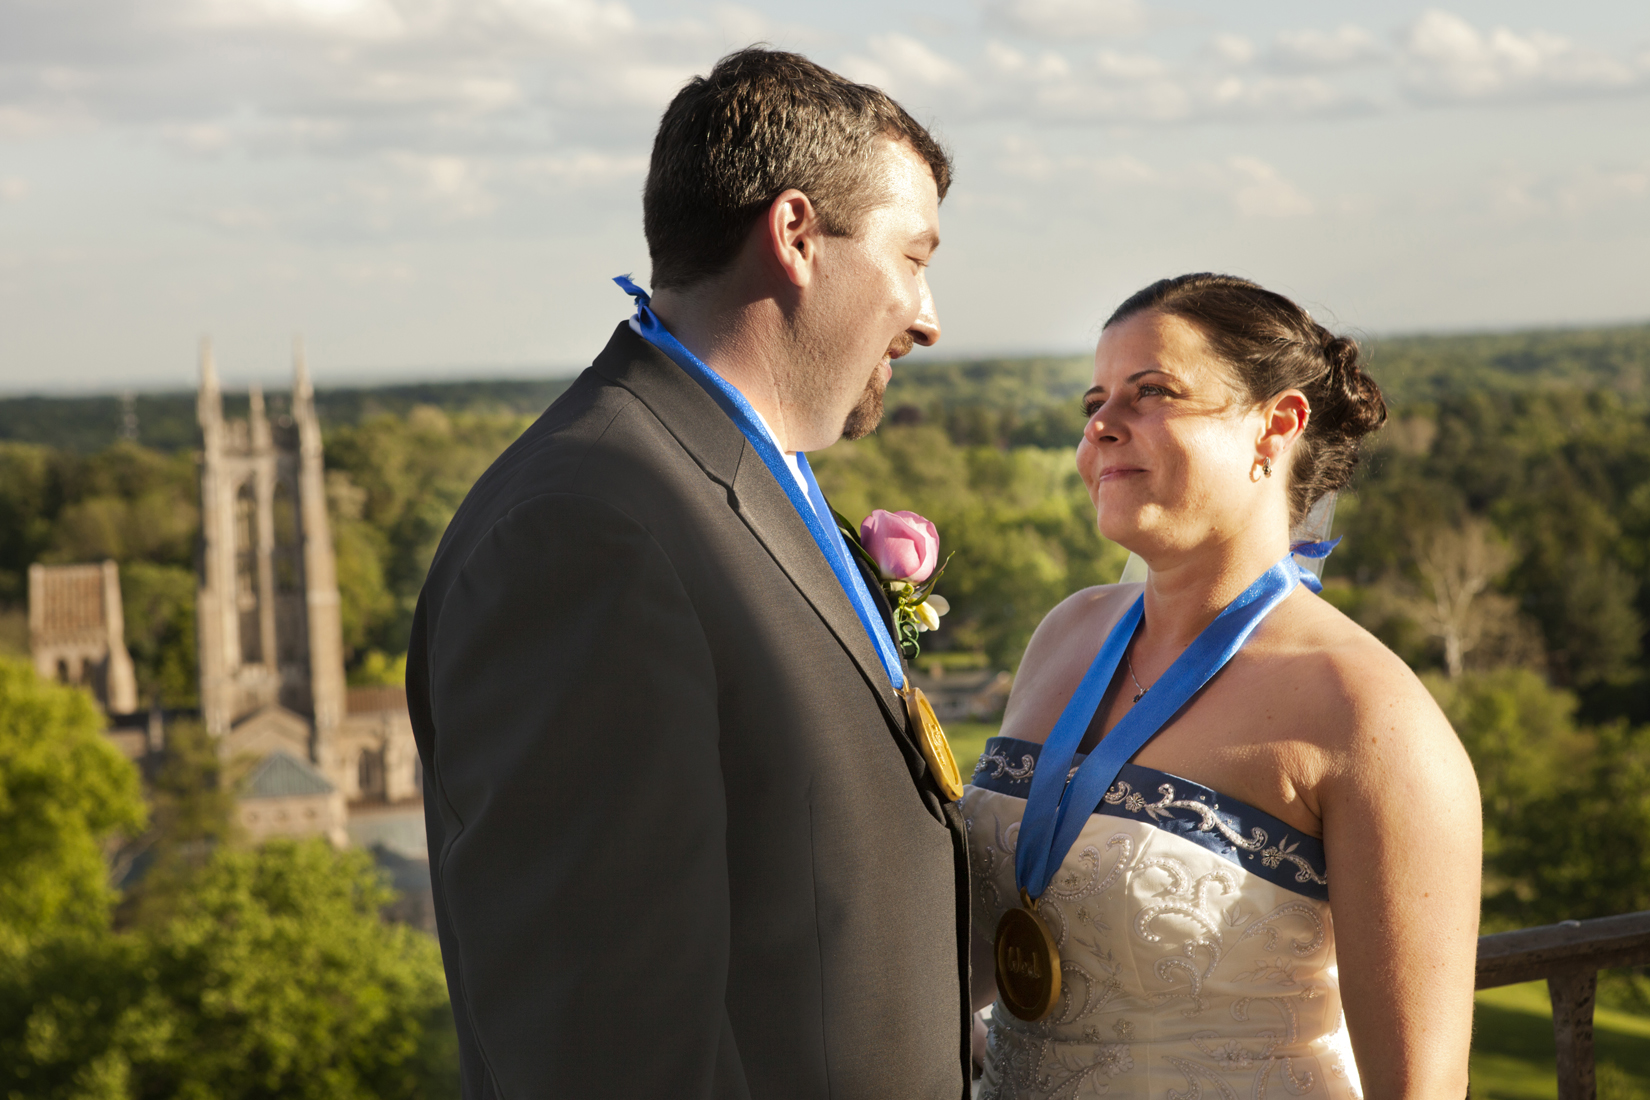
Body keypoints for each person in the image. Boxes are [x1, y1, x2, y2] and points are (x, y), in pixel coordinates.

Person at [406, 48, 972, 1099]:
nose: (930, 315)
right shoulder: (583, 532)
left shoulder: (747, 478)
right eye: (913, 256)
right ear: (796, 234)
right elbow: (603, 1043)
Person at [963, 274, 1482, 1098]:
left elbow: (1420, 1090)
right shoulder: (1066, 635)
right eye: (1094, 400)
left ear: (1276, 426)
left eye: (1152, 392)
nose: (1101, 425)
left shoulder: (1366, 713)